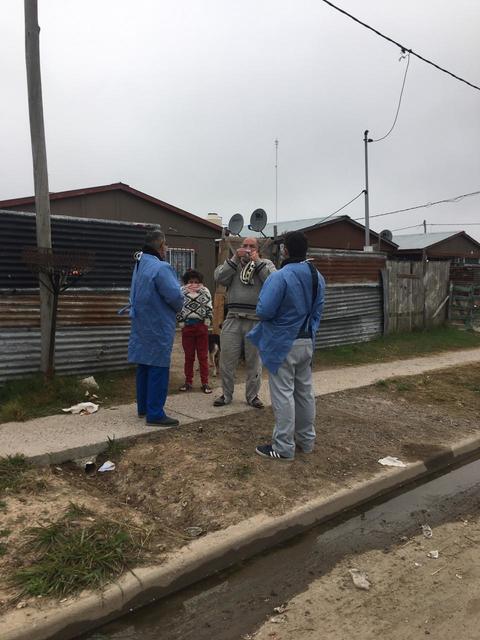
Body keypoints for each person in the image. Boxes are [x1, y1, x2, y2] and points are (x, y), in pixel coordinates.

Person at [247, 231, 325, 460]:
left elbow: (264, 311)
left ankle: (283, 447)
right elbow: (318, 311)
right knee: (305, 393)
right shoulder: (317, 276)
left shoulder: (280, 276)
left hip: (282, 343)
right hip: (307, 340)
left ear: (285, 250)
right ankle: (306, 441)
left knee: (283, 395)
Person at [127, 230, 185, 427]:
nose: (166, 249)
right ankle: (155, 413)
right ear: (161, 246)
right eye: (166, 246)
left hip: (141, 322)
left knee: (143, 364)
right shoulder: (161, 268)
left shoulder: (140, 264)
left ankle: (143, 407)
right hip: (158, 323)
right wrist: (179, 307)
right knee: (158, 367)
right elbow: (175, 297)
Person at [213, 236, 276, 408]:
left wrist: (258, 262)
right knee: (227, 360)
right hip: (233, 318)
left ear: (258, 249)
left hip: (256, 320)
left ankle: (253, 396)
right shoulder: (233, 264)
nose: (247, 249)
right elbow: (219, 277)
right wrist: (234, 258)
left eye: (252, 246)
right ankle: (226, 394)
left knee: (254, 362)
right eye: (245, 245)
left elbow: (274, 282)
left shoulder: (266, 264)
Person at [177, 269, 213, 394]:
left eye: (196, 281)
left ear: (200, 282)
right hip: (187, 327)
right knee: (189, 356)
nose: (193, 284)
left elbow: (209, 305)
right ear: (186, 281)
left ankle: (205, 382)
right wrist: (180, 320)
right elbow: (178, 307)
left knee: (203, 356)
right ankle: (188, 381)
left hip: (201, 326)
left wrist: (208, 319)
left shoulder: (205, 291)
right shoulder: (181, 291)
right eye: (190, 281)